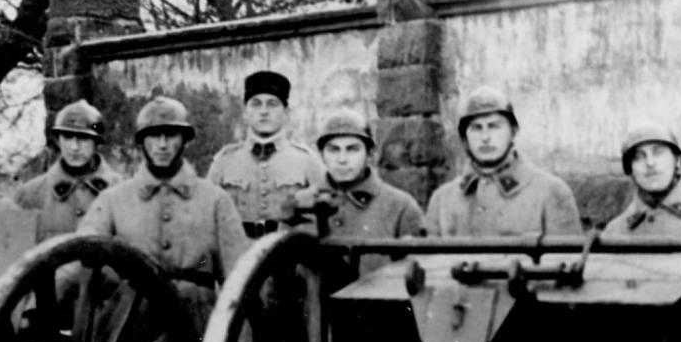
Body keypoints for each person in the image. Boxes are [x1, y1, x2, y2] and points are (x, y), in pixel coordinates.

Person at [77, 96, 248, 332]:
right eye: (154, 136)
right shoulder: (112, 200)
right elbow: (81, 253)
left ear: (185, 140)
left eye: (171, 135)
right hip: (130, 329)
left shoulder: (215, 200)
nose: (162, 145)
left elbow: (240, 277)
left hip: (196, 326)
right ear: (142, 142)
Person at [426, 86, 582, 238]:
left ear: (513, 131)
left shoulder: (552, 193)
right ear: (465, 138)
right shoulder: (442, 200)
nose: (485, 137)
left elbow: (567, 261)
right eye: (476, 128)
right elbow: (428, 263)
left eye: (494, 126)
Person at [288, 109, 423, 274]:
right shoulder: (300, 204)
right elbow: (277, 278)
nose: (342, 160)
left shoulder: (400, 206)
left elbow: (417, 279)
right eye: (333, 150)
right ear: (322, 155)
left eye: (352, 149)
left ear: (370, 155)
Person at [207, 70, 320, 234]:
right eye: (256, 103)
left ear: (286, 114)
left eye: (272, 104)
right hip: (236, 254)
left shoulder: (307, 162)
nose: (264, 111)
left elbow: (325, 220)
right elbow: (206, 218)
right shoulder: (224, 162)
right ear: (245, 113)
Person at [14, 100, 123, 242]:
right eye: (67, 137)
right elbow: (18, 257)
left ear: (97, 142)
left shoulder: (122, 192)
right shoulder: (30, 196)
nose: (74, 147)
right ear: (58, 140)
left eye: (83, 138)